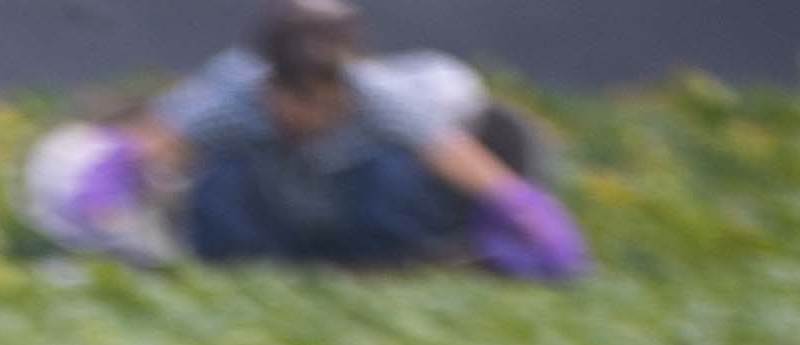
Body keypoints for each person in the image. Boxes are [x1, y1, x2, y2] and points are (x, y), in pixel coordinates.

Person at [151, 1, 584, 277]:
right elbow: (157, 144)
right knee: (221, 172)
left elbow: (452, 153)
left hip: (352, 224)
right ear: (270, 86)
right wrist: (113, 176)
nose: (313, 116)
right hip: (270, 228)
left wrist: (521, 206)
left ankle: (388, 265)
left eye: (325, 101)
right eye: (297, 100)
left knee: (395, 169)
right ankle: (236, 269)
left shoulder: (379, 96)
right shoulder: (235, 96)